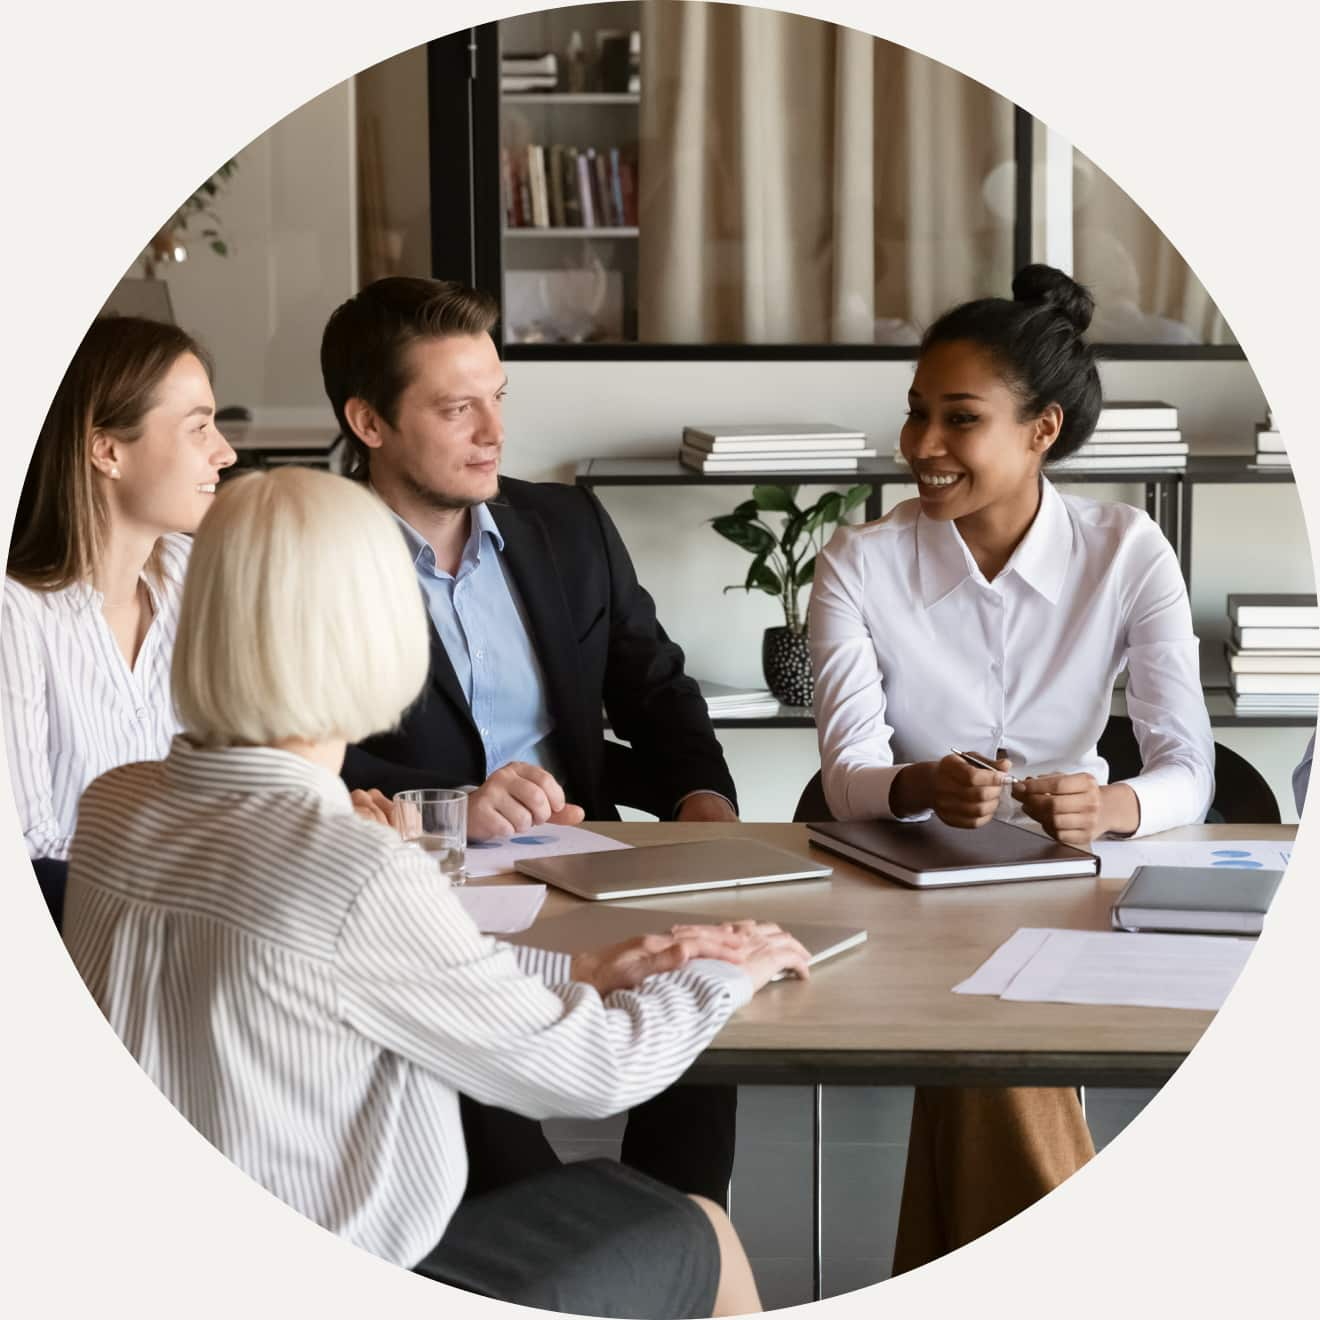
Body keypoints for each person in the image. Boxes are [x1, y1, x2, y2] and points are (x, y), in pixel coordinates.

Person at [63, 468, 810, 1317]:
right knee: (696, 1227)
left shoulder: (116, 803)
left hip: (164, 1270)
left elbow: (357, 970)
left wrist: (584, 972)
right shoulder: (357, 868)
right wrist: (728, 970)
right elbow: (594, 1071)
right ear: (376, 630)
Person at [808, 264, 1215, 1270]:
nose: (923, 449)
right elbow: (848, 777)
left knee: (990, 1045)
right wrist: (919, 786)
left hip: (1076, 886)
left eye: (959, 420)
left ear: (1043, 432)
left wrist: (1111, 805)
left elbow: (1188, 771)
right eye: (915, 417)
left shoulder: (1128, 551)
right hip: (907, 891)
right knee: (992, 1039)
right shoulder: (856, 565)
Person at [319, 276, 741, 1205]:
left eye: (497, 398)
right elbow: (296, 751)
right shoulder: (314, 556)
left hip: (584, 862)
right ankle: (555, 1252)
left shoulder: (567, 526)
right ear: (371, 421)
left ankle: (679, 1240)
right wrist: (448, 806)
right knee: (476, 1088)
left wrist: (700, 803)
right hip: (419, 889)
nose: (493, 433)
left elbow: (656, 688)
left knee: (704, 993)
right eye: (456, 407)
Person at [2, 316, 236, 923]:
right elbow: (29, 856)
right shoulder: (16, 612)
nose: (225, 452)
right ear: (107, 450)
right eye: (200, 428)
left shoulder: (191, 573)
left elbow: (232, 780)